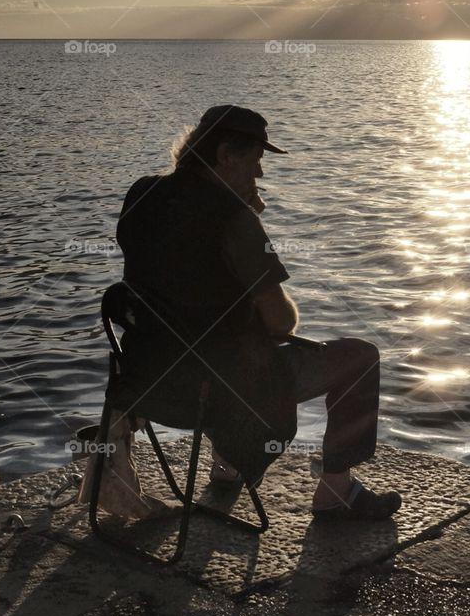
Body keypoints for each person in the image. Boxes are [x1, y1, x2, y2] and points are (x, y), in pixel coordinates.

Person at [113, 105, 401, 521]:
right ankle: (336, 491)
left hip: (147, 376)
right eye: (255, 161)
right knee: (359, 357)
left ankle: (227, 467)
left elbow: (175, 270)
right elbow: (281, 324)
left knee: (206, 335)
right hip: (217, 390)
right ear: (227, 154)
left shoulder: (142, 192)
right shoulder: (234, 219)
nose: (260, 175)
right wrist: (248, 222)